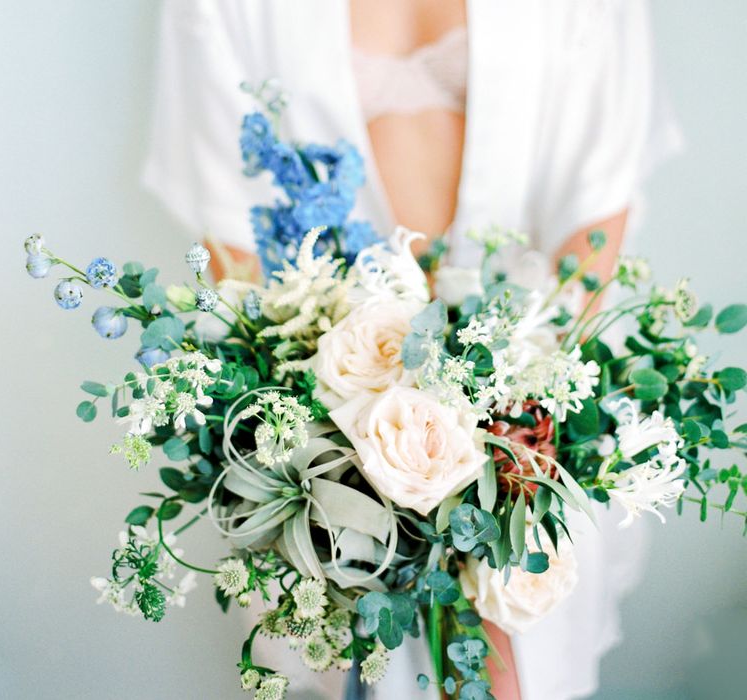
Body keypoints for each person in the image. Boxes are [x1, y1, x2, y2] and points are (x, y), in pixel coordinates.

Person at [143, 1, 682, 698]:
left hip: (534, 409)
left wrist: (516, 413)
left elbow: (597, 211)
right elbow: (232, 230)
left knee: (515, 662)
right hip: (323, 414)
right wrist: (340, 418)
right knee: (352, 658)